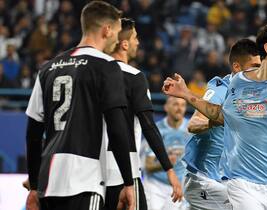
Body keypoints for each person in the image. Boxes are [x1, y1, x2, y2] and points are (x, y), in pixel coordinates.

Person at [162, 22, 267, 210]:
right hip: (211, 178)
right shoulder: (224, 86)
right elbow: (200, 122)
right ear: (237, 67)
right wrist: (188, 96)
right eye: (254, 66)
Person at [25, 2, 135, 210]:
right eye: (118, 32)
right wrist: (128, 183)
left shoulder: (48, 68)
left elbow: (32, 134)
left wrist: (34, 186)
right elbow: (117, 128)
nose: (117, 39)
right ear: (107, 30)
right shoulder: (107, 66)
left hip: (48, 182)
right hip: (84, 179)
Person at [102, 18, 182, 210]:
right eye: (135, 38)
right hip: (124, 172)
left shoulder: (94, 73)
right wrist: (169, 169)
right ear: (124, 43)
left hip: (92, 173)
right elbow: (148, 125)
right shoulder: (134, 77)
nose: (138, 43)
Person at [144, 96, 190, 210]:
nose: (179, 108)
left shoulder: (192, 129)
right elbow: (148, 166)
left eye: (183, 105)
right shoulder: (156, 130)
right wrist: (166, 164)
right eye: (175, 104)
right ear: (166, 107)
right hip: (156, 185)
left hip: (179, 186)